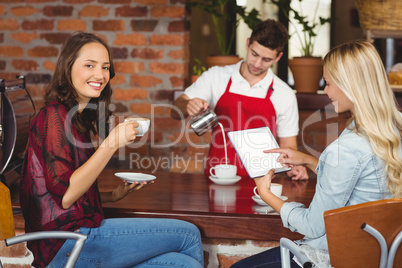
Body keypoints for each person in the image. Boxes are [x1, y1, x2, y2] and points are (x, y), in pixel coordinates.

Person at [19, 32, 204, 268]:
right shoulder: (52, 116)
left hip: (79, 237)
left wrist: (113, 196)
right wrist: (112, 143)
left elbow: (75, 195)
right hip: (65, 245)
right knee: (188, 235)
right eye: (89, 65)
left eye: (105, 67)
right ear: (68, 68)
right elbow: (65, 197)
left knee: (185, 264)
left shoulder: (77, 119)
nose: (100, 75)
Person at [231, 40, 402, 268]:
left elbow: (312, 226)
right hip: (380, 256)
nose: (326, 90)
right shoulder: (392, 128)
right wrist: (309, 160)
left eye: (329, 83)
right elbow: (355, 179)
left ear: (350, 85)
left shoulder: (346, 148)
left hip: (338, 257)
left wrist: (266, 194)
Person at [171, 19, 308, 180]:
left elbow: (288, 145)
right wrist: (188, 105)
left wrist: (295, 166)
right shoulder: (216, 76)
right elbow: (175, 111)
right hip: (218, 176)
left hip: (263, 184)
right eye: (254, 54)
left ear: (278, 57)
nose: (257, 63)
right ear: (248, 44)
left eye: (266, 60)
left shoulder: (284, 93)